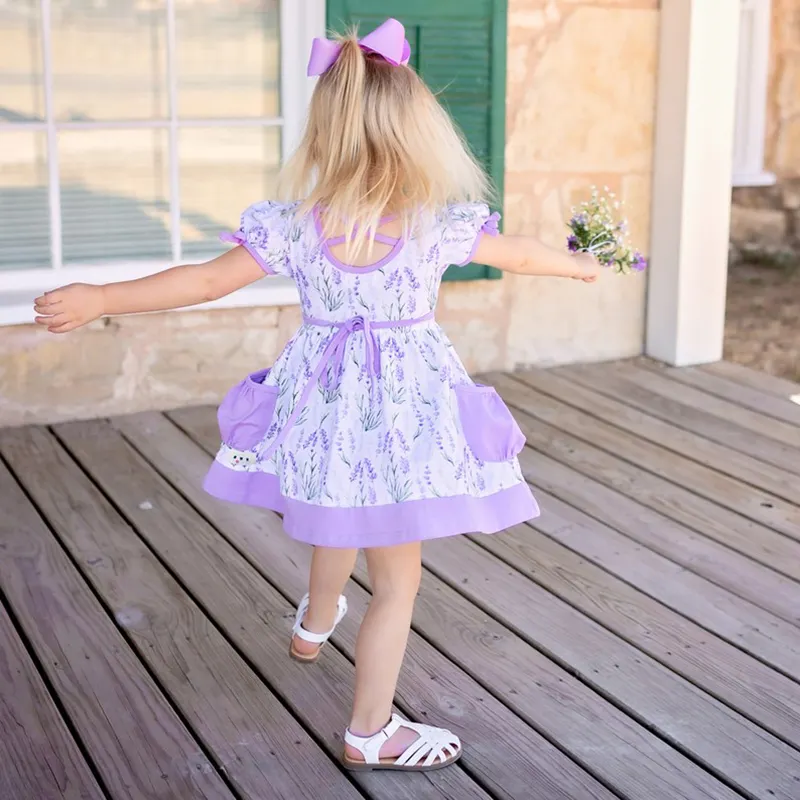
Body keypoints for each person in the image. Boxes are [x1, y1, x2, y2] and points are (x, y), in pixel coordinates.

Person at [34, 18, 598, 773]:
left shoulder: (297, 227)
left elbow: (201, 281)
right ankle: (371, 731)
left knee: (335, 511)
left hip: (324, 413)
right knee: (398, 581)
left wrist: (104, 294)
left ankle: (317, 619)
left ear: (324, 135)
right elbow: (525, 254)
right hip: (401, 422)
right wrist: (582, 265)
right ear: (419, 137)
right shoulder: (436, 227)